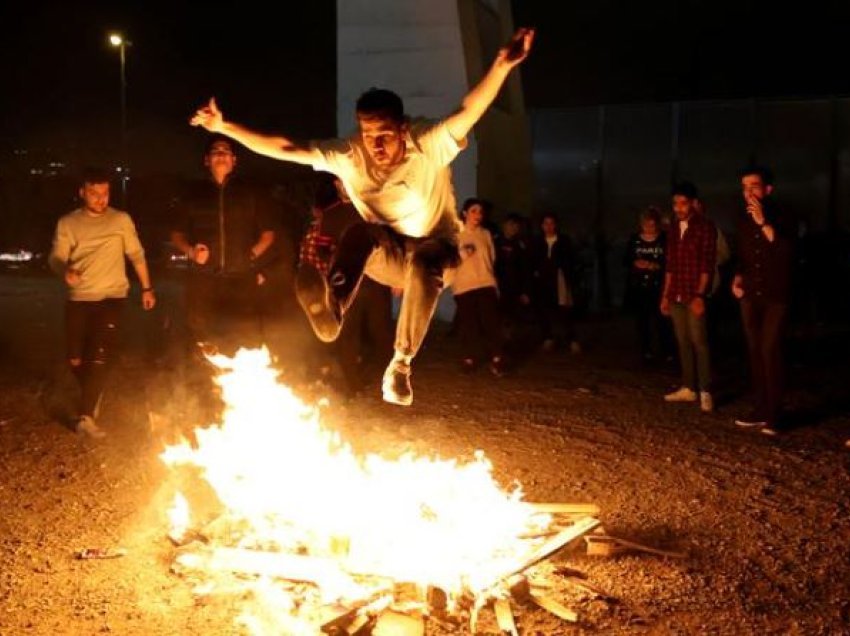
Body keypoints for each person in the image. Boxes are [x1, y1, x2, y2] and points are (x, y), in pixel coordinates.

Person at [190, 27, 536, 405]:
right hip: (387, 257)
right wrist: (224, 126)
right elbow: (287, 147)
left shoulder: (427, 143)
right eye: (368, 134)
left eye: (385, 134)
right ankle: (332, 309)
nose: (376, 145)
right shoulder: (350, 155)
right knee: (360, 233)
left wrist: (501, 67)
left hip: (440, 254)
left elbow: (469, 110)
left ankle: (400, 364)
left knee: (426, 257)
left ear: (403, 129)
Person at [48, 168, 155, 437]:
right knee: (75, 359)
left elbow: (137, 255)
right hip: (80, 298)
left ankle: (85, 416)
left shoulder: (121, 220)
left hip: (112, 297)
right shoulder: (68, 223)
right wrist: (65, 271)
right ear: (82, 193)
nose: (100, 199)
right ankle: (94, 392)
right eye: (94, 193)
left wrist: (147, 288)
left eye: (105, 193)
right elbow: (56, 257)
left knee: (98, 356)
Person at [170, 134, 280, 353]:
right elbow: (176, 235)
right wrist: (191, 252)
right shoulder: (193, 194)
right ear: (206, 160)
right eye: (215, 151)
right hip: (203, 278)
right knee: (203, 336)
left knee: (246, 335)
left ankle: (246, 379)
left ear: (234, 160)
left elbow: (268, 233)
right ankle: (204, 382)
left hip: (241, 277)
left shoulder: (250, 192)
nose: (221, 154)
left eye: (226, 151)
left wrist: (250, 255)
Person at [299, 174, 393, 395]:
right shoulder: (332, 214)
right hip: (344, 285)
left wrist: (397, 280)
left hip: (376, 282)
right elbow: (321, 250)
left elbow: (389, 245)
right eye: (342, 182)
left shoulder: (371, 211)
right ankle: (353, 385)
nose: (346, 186)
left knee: (381, 331)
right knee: (348, 333)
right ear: (337, 185)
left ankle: (390, 380)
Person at [731, 165, 795, 435]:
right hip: (750, 296)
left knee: (770, 350)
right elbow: (743, 255)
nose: (748, 192)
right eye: (745, 187)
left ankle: (775, 414)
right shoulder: (742, 219)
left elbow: (786, 252)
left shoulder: (784, 215)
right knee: (755, 352)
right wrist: (737, 277)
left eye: (754, 186)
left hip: (776, 296)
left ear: (768, 189)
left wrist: (763, 223)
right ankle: (760, 408)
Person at [661, 181, 717, 413]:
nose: (678, 208)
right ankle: (688, 386)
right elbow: (670, 265)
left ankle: (705, 390)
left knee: (699, 342)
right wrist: (665, 295)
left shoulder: (705, 227)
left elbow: (707, 264)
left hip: (693, 293)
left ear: (693, 203)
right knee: (682, 341)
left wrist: (699, 295)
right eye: (675, 203)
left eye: (683, 203)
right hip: (676, 293)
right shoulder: (674, 228)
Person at [452, 198, 505, 375]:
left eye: (480, 212)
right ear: (465, 213)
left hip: (485, 282)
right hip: (464, 286)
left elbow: (492, 258)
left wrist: (493, 281)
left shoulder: (486, 234)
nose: (478, 215)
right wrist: (462, 254)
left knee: (491, 322)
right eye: (474, 211)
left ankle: (497, 358)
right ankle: (470, 358)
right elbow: (449, 261)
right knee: (470, 324)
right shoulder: (455, 235)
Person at [623, 206, 670, 362]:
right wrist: (636, 263)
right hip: (639, 287)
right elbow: (626, 260)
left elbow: (669, 261)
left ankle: (666, 350)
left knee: (662, 320)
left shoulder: (664, 240)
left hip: (659, 286)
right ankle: (645, 350)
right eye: (646, 225)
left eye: (652, 225)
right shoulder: (634, 240)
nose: (649, 228)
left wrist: (655, 266)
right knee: (642, 320)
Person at [529, 213, 581, 354]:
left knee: (564, 309)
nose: (549, 226)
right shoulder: (537, 241)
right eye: (546, 223)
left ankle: (571, 339)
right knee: (543, 309)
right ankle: (548, 337)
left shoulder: (563, 240)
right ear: (542, 226)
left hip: (559, 278)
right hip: (542, 280)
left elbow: (570, 259)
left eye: (551, 223)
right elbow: (533, 260)